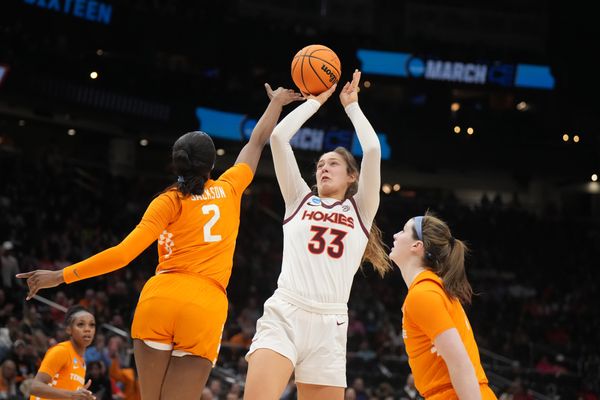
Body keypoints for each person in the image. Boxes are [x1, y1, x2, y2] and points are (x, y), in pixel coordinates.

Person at [17, 84, 303, 400]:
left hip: (160, 298)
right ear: (210, 165)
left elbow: (123, 254)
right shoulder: (230, 187)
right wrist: (276, 102)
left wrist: (59, 276)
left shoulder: (167, 201)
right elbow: (257, 140)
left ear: (176, 164)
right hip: (205, 305)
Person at [243, 69, 391, 400]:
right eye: (320, 164)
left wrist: (351, 106)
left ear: (353, 177)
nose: (323, 168)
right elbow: (280, 138)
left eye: (333, 164)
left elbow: (372, 151)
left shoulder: (361, 209)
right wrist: (314, 102)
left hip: (331, 323)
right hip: (286, 311)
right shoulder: (298, 199)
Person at [389, 212, 497, 399]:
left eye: (404, 230)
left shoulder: (424, 295)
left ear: (417, 245)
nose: (395, 235)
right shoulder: (431, 290)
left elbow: (460, 364)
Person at [28, 305, 96, 400]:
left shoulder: (82, 363)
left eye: (91, 325)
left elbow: (66, 395)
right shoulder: (61, 351)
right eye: (81, 324)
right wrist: (72, 395)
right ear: (69, 329)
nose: (87, 329)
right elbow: (35, 387)